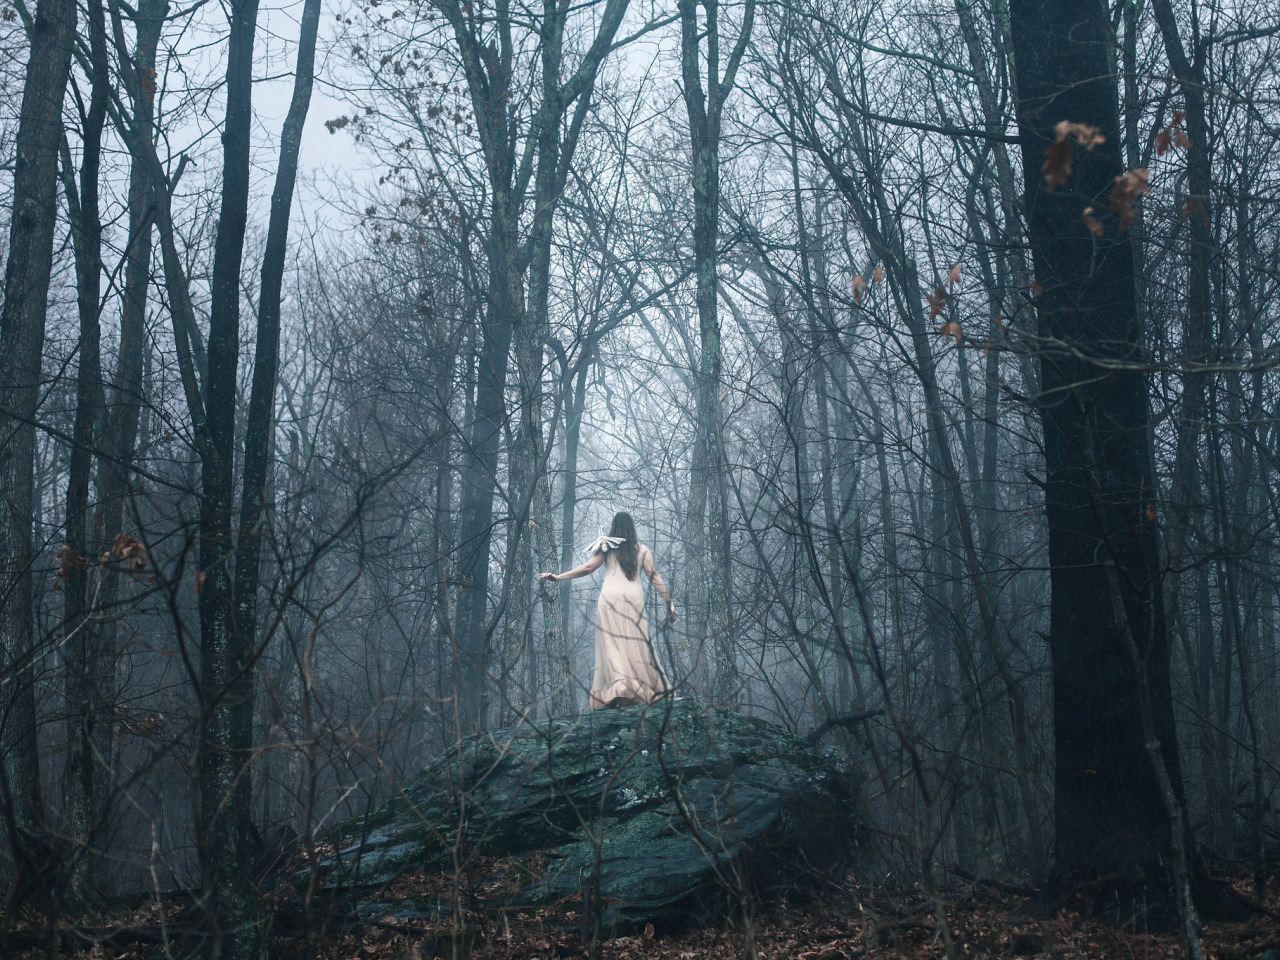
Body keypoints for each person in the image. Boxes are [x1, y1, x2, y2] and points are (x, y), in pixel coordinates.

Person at [540, 512, 677, 708]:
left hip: (610, 600)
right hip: (633, 601)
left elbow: (588, 567)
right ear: (632, 528)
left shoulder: (606, 547)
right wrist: (668, 600)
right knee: (638, 645)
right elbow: (653, 576)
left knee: (613, 644)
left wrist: (559, 577)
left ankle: (622, 688)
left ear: (614, 528)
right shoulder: (643, 550)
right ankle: (642, 687)